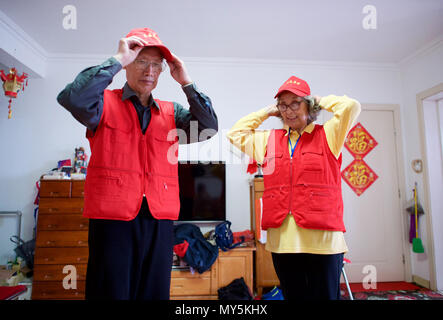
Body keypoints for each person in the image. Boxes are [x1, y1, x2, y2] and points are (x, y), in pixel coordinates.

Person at [57, 28, 218, 300]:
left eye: (157, 64)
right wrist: (116, 59)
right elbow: (72, 98)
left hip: (159, 218)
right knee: (111, 291)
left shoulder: (172, 113)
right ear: (129, 63)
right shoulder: (102, 104)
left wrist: (186, 82)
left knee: (153, 293)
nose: (150, 70)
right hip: (112, 219)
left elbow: (208, 127)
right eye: (142, 61)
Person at [227, 75, 360, 300]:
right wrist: (266, 111)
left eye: (295, 103)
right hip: (284, 242)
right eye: (283, 105)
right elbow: (235, 134)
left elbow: (351, 106)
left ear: (309, 105)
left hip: (324, 242)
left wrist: (319, 99)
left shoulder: (329, 134)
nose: (289, 111)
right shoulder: (268, 140)